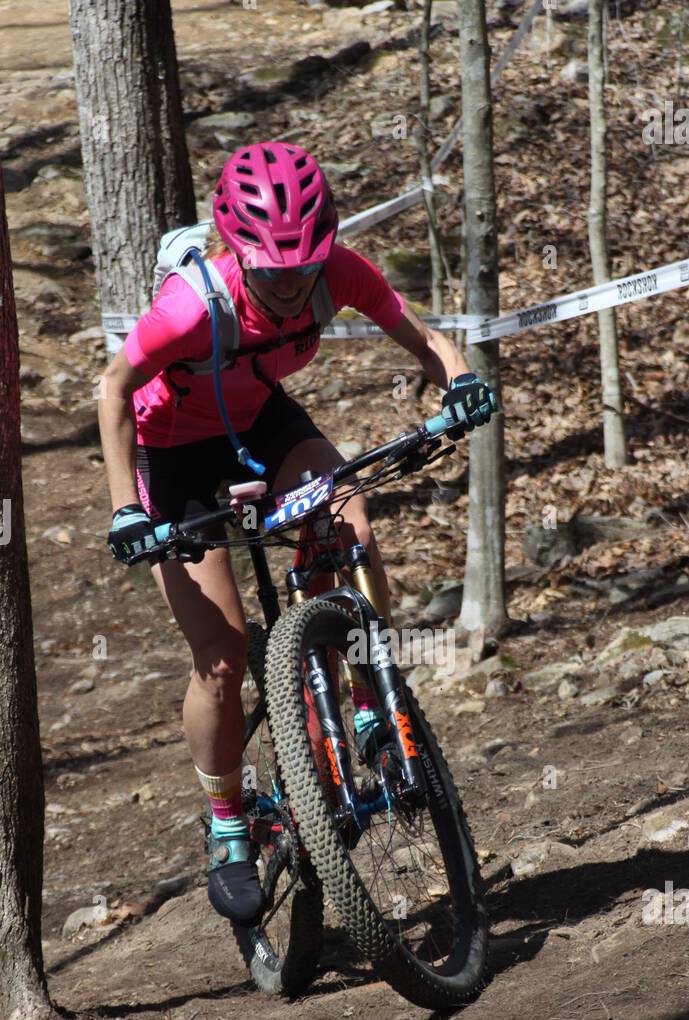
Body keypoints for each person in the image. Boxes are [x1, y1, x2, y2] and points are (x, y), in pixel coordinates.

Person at [98, 141, 496, 925]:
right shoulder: (191, 306)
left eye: (303, 269)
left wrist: (461, 383)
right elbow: (113, 388)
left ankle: (373, 699)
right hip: (169, 451)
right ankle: (226, 825)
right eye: (272, 272)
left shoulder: (340, 270)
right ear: (236, 250)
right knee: (223, 655)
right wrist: (126, 510)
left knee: (346, 506)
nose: (290, 287)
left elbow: (425, 340)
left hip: (256, 420)